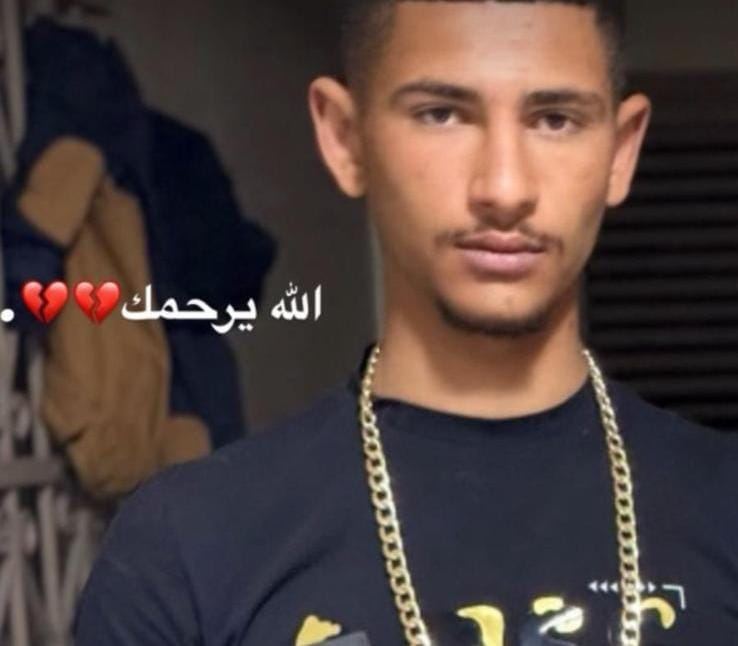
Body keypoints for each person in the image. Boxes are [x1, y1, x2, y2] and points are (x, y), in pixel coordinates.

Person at [73, 1, 738, 645]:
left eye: (555, 119)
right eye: (441, 114)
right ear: (346, 138)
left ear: (620, 152)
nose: (504, 188)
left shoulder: (723, 510)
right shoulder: (188, 547)